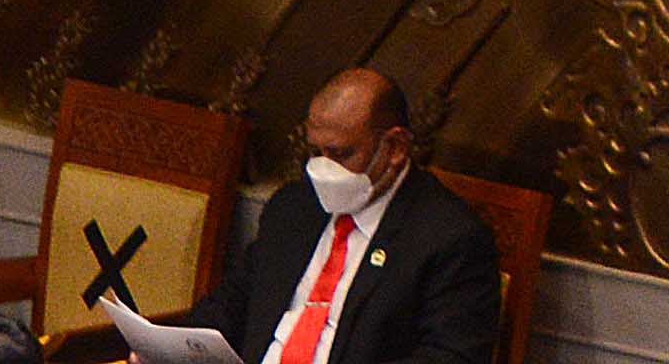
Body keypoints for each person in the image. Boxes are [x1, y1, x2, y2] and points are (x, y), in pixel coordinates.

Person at [177, 70, 495, 364]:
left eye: (341, 154)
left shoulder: (450, 237)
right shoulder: (293, 207)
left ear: (395, 148)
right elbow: (234, 301)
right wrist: (176, 350)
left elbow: (451, 357)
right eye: (316, 152)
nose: (324, 169)